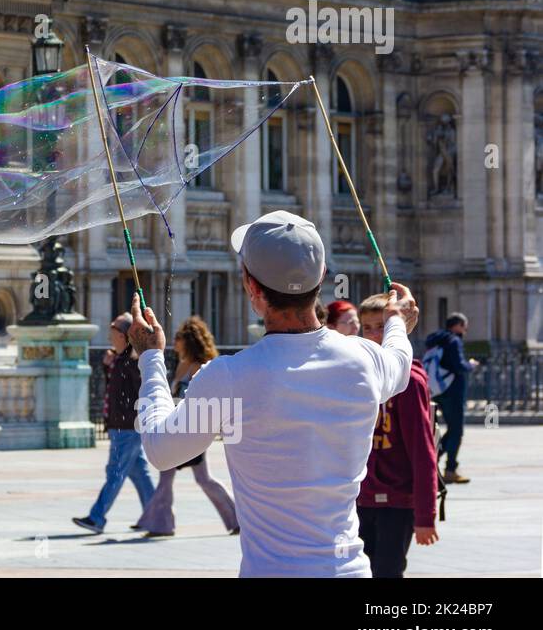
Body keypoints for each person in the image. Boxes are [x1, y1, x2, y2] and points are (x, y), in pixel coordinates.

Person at [133, 210, 420, 577]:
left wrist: (151, 357)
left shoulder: (229, 376)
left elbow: (161, 450)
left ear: (251, 287)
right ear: (321, 278)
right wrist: (397, 321)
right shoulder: (364, 360)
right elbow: (399, 358)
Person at [356, 294, 439, 577]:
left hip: (397, 501)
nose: (374, 334)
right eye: (367, 327)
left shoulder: (410, 383)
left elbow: (422, 451)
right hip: (358, 497)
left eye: (382, 326)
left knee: (387, 572)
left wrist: (426, 516)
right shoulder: (357, 374)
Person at [133, 317, 239, 538]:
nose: (174, 342)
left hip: (191, 428)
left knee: (201, 478)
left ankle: (161, 522)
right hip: (173, 424)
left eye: (178, 338)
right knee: (175, 477)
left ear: (188, 340)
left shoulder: (200, 366)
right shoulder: (181, 364)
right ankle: (159, 522)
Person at [72, 313, 155, 534]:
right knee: (139, 472)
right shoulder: (120, 360)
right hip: (123, 425)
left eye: (114, 332)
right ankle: (155, 515)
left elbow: (141, 392)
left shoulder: (132, 362)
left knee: (115, 472)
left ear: (124, 336)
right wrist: (108, 367)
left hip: (128, 426)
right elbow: (115, 391)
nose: (110, 336)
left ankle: (97, 517)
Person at [426, 312, 477, 484]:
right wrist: (470, 365)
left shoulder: (435, 340)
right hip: (452, 392)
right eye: (464, 326)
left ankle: (433, 459)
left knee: (444, 428)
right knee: (456, 430)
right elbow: (458, 366)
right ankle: (449, 469)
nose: (466, 330)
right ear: (456, 326)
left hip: (436, 391)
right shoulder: (453, 341)